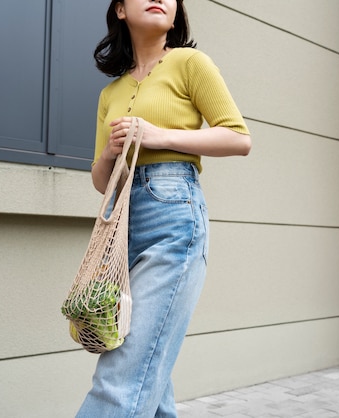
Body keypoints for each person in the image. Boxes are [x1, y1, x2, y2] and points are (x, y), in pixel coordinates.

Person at [77, 0, 251, 416]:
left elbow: (238, 137)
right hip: (122, 224)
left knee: (120, 376)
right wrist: (109, 153)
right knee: (149, 367)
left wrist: (157, 135)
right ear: (120, 10)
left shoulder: (190, 63)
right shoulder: (110, 92)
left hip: (173, 214)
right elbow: (103, 180)